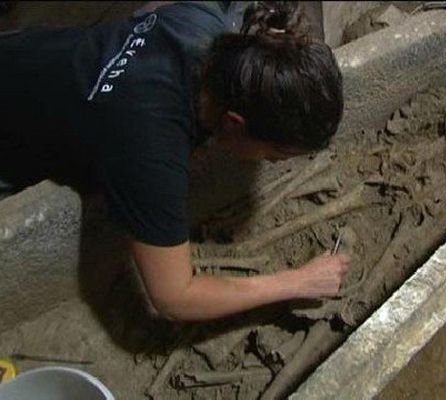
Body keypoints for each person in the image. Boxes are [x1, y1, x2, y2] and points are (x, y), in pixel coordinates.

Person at [0, 1, 350, 320]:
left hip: (30, 53)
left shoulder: (206, 24)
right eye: (275, 155)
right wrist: (298, 282)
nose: (273, 164)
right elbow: (174, 297)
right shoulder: (150, 149)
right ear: (233, 123)